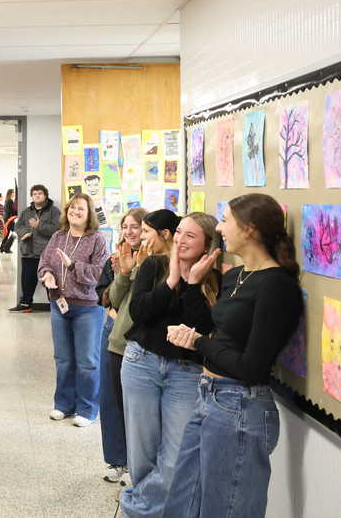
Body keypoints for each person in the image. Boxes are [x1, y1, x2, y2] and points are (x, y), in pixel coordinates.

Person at [164, 194, 303, 518]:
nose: (221, 228)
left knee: (224, 510)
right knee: (181, 504)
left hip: (240, 405)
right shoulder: (235, 275)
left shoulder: (277, 285)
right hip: (207, 396)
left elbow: (252, 367)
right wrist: (192, 284)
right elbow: (211, 329)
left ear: (250, 230)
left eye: (225, 220)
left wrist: (198, 343)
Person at [120, 211, 220, 518]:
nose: (180, 240)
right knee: (142, 453)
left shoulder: (215, 279)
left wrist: (191, 284)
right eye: (179, 233)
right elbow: (140, 312)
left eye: (190, 236)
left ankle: (137, 507)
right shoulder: (154, 265)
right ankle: (147, 508)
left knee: (177, 457)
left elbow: (198, 325)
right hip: (141, 363)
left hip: (186, 373)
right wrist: (172, 280)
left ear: (207, 244)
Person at [37, 193, 109, 427]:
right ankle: (63, 404)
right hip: (60, 304)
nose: (75, 212)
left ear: (89, 215)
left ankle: (87, 409)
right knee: (64, 359)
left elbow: (100, 274)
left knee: (87, 361)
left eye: (81, 209)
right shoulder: (59, 236)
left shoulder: (97, 239)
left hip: (88, 308)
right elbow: (45, 262)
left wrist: (73, 265)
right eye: (72, 208)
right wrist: (47, 274)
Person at [98, 207, 147, 485]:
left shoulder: (155, 261)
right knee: (111, 400)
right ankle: (117, 460)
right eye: (125, 227)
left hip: (137, 339)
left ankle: (134, 463)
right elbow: (112, 298)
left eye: (136, 227)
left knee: (134, 406)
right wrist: (122, 273)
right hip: (114, 332)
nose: (130, 232)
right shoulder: (116, 258)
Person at [9, 184, 60, 312]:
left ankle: (56, 305)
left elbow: (57, 230)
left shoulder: (54, 211)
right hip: (28, 251)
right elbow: (17, 226)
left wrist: (39, 225)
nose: (37, 195)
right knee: (27, 280)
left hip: (46, 253)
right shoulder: (27, 211)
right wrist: (24, 233)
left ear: (45, 195)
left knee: (51, 281)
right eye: (34, 194)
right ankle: (26, 304)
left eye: (40, 193)